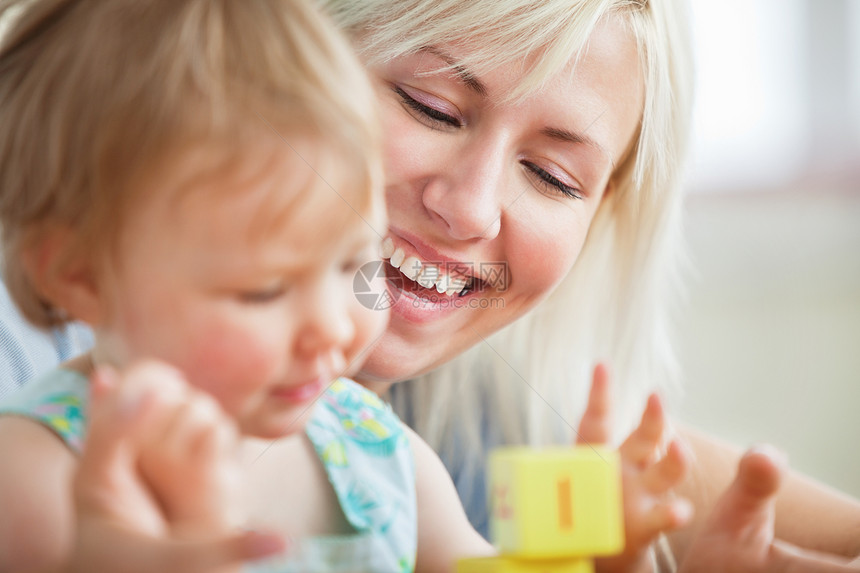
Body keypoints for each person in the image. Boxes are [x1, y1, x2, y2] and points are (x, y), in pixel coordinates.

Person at [2, 0, 859, 571]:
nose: (468, 208)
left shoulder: (379, 451)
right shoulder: (37, 468)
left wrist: (604, 544)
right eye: (432, 106)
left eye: (555, 177)